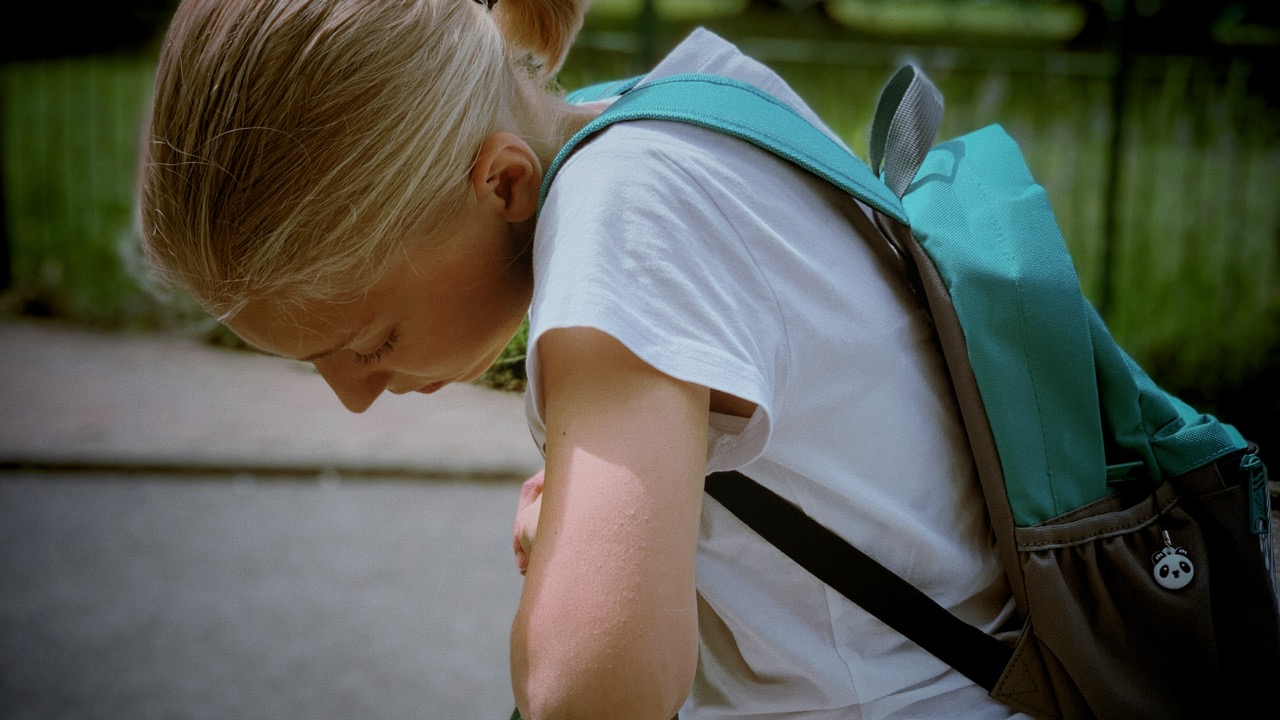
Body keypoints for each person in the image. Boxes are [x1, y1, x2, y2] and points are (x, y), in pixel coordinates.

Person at [138, 1, 1023, 718]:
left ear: (503, 183)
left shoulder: (622, 212)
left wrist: (571, 571)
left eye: (371, 344)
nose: (356, 401)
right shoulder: (671, 112)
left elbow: (589, 690)